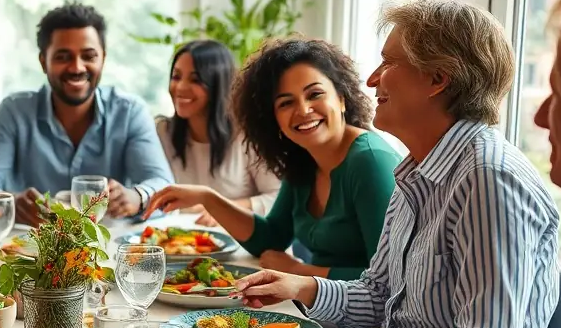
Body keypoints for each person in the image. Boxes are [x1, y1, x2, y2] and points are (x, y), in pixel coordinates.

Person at [236, 0, 560, 328]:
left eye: (390, 63)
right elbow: (379, 293)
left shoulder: (489, 180)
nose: (371, 80)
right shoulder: (416, 171)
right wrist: (299, 287)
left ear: (438, 78)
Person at [146, 37, 401, 279]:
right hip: (326, 308)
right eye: (285, 103)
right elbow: (271, 238)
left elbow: (389, 280)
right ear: (274, 119)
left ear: (342, 99)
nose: (303, 110)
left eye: (315, 94)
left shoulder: (370, 162)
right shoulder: (304, 158)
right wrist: (207, 197)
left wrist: (300, 270)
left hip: (368, 322)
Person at [0, 2, 173, 226]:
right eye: (63, 57)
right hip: (32, 253)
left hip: (110, 252)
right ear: (43, 61)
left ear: (103, 58)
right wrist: (10, 202)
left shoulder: (129, 112)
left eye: (89, 56)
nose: (77, 67)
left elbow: (164, 187)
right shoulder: (14, 112)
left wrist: (136, 197)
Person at [155, 39, 280, 225]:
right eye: (176, 77)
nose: (180, 87)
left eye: (195, 79)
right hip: (176, 242)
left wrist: (223, 209)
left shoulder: (248, 135)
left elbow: (277, 198)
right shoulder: (162, 132)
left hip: (239, 244)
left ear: (218, 85)